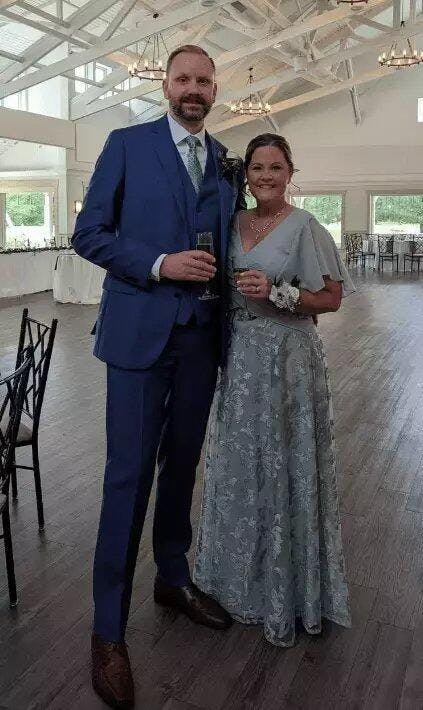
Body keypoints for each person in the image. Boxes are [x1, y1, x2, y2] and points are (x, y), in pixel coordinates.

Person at [72, 45, 245, 709]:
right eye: (183, 79)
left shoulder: (225, 161)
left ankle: (172, 577)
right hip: (138, 336)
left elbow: (232, 245)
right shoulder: (126, 144)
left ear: (214, 89)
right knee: (128, 478)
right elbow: (89, 234)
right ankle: (107, 632)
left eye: (204, 80)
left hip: (202, 339)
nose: (193, 89)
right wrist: (157, 264)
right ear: (165, 85)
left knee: (182, 469)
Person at [193, 133, 355, 648]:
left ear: (290, 173)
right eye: (257, 168)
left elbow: (332, 298)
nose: (265, 176)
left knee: (286, 461)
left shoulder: (306, 226)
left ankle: (288, 589)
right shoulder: (232, 222)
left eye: (276, 168)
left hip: (289, 358)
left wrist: (278, 292)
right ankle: (235, 577)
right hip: (240, 357)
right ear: (246, 175)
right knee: (241, 464)